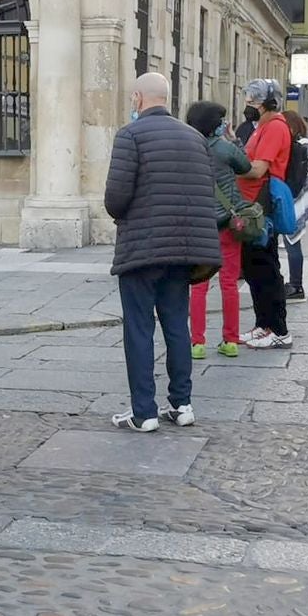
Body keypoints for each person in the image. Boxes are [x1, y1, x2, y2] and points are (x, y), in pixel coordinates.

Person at [105, 73, 221, 431]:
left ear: (138, 98)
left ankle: (144, 412)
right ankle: (182, 404)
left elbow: (116, 199)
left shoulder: (130, 135)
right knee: (176, 324)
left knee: (139, 328)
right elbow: (207, 192)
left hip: (143, 247)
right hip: (185, 249)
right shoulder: (195, 138)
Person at [187, 101, 250, 360]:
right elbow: (245, 167)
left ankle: (197, 343)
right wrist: (235, 141)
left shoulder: (187, 147)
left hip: (199, 225)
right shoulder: (225, 148)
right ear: (216, 124)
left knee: (199, 285)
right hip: (227, 224)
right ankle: (230, 340)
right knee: (229, 284)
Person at [238, 79, 294, 349]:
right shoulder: (261, 127)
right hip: (251, 205)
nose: (249, 106)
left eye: (253, 102)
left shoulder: (274, 128)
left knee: (266, 268)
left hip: (262, 207)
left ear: (267, 103)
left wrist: (232, 163)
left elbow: (258, 168)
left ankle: (279, 329)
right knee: (253, 268)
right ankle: (263, 324)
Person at [283, 112, 308, 301]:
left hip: (295, 198)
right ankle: (295, 283)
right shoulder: (304, 144)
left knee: (292, 241)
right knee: (291, 241)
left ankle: (296, 285)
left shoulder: (301, 145)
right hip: (298, 196)